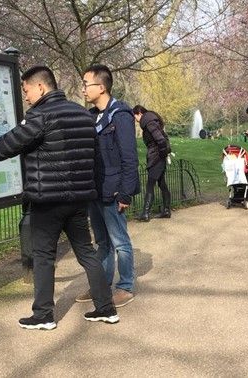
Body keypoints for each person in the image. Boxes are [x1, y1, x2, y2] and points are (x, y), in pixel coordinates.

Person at [0, 65, 118, 328]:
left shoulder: (40, 116)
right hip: (79, 199)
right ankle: (106, 308)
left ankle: (43, 315)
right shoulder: (83, 115)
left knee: (43, 256)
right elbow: (94, 158)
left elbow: (10, 144)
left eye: (26, 90)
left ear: (41, 87)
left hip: (48, 201)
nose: (26, 96)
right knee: (87, 253)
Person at [76, 64, 139, 308]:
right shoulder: (92, 116)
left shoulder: (120, 115)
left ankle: (125, 286)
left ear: (101, 87)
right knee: (102, 242)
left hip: (113, 191)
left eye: (86, 84)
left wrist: (125, 193)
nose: (83, 89)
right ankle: (100, 286)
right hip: (95, 190)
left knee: (120, 242)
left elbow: (129, 158)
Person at [132, 105, 171, 222]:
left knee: (150, 185)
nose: (135, 120)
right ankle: (166, 210)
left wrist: (162, 154)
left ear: (139, 113)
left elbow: (160, 140)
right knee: (162, 184)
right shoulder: (151, 121)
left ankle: (145, 213)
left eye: (135, 117)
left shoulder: (149, 122)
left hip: (156, 157)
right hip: (158, 156)